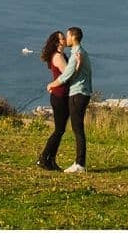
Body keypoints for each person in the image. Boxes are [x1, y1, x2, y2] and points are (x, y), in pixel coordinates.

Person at [57, 26, 92, 172]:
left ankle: (79, 164)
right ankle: (79, 163)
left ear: (73, 37)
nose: (66, 39)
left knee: (78, 129)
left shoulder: (76, 53)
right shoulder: (81, 52)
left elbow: (66, 75)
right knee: (78, 128)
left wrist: (52, 84)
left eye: (67, 36)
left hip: (77, 94)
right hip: (83, 93)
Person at [36, 30, 69, 171]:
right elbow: (68, 74)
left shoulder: (60, 55)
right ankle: (44, 158)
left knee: (60, 130)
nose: (65, 40)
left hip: (61, 95)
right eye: (62, 39)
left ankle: (51, 160)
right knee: (58, 130)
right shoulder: (57, 57)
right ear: (57, 42)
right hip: (59, 96)